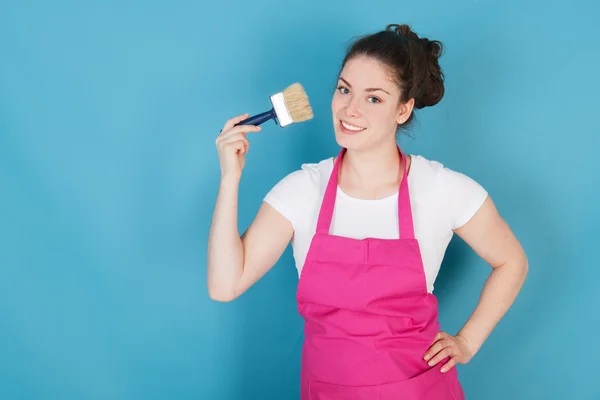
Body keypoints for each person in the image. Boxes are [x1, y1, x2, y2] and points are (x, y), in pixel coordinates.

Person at [208, 23, 528, 399]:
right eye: (344, 90)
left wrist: (468, 341)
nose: (350, 109)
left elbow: (512, 262)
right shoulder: (303, 190)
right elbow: (225, 285)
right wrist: (230, 178)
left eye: (373, 98)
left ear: (403, 109)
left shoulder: (441, 188)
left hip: (419, 390)